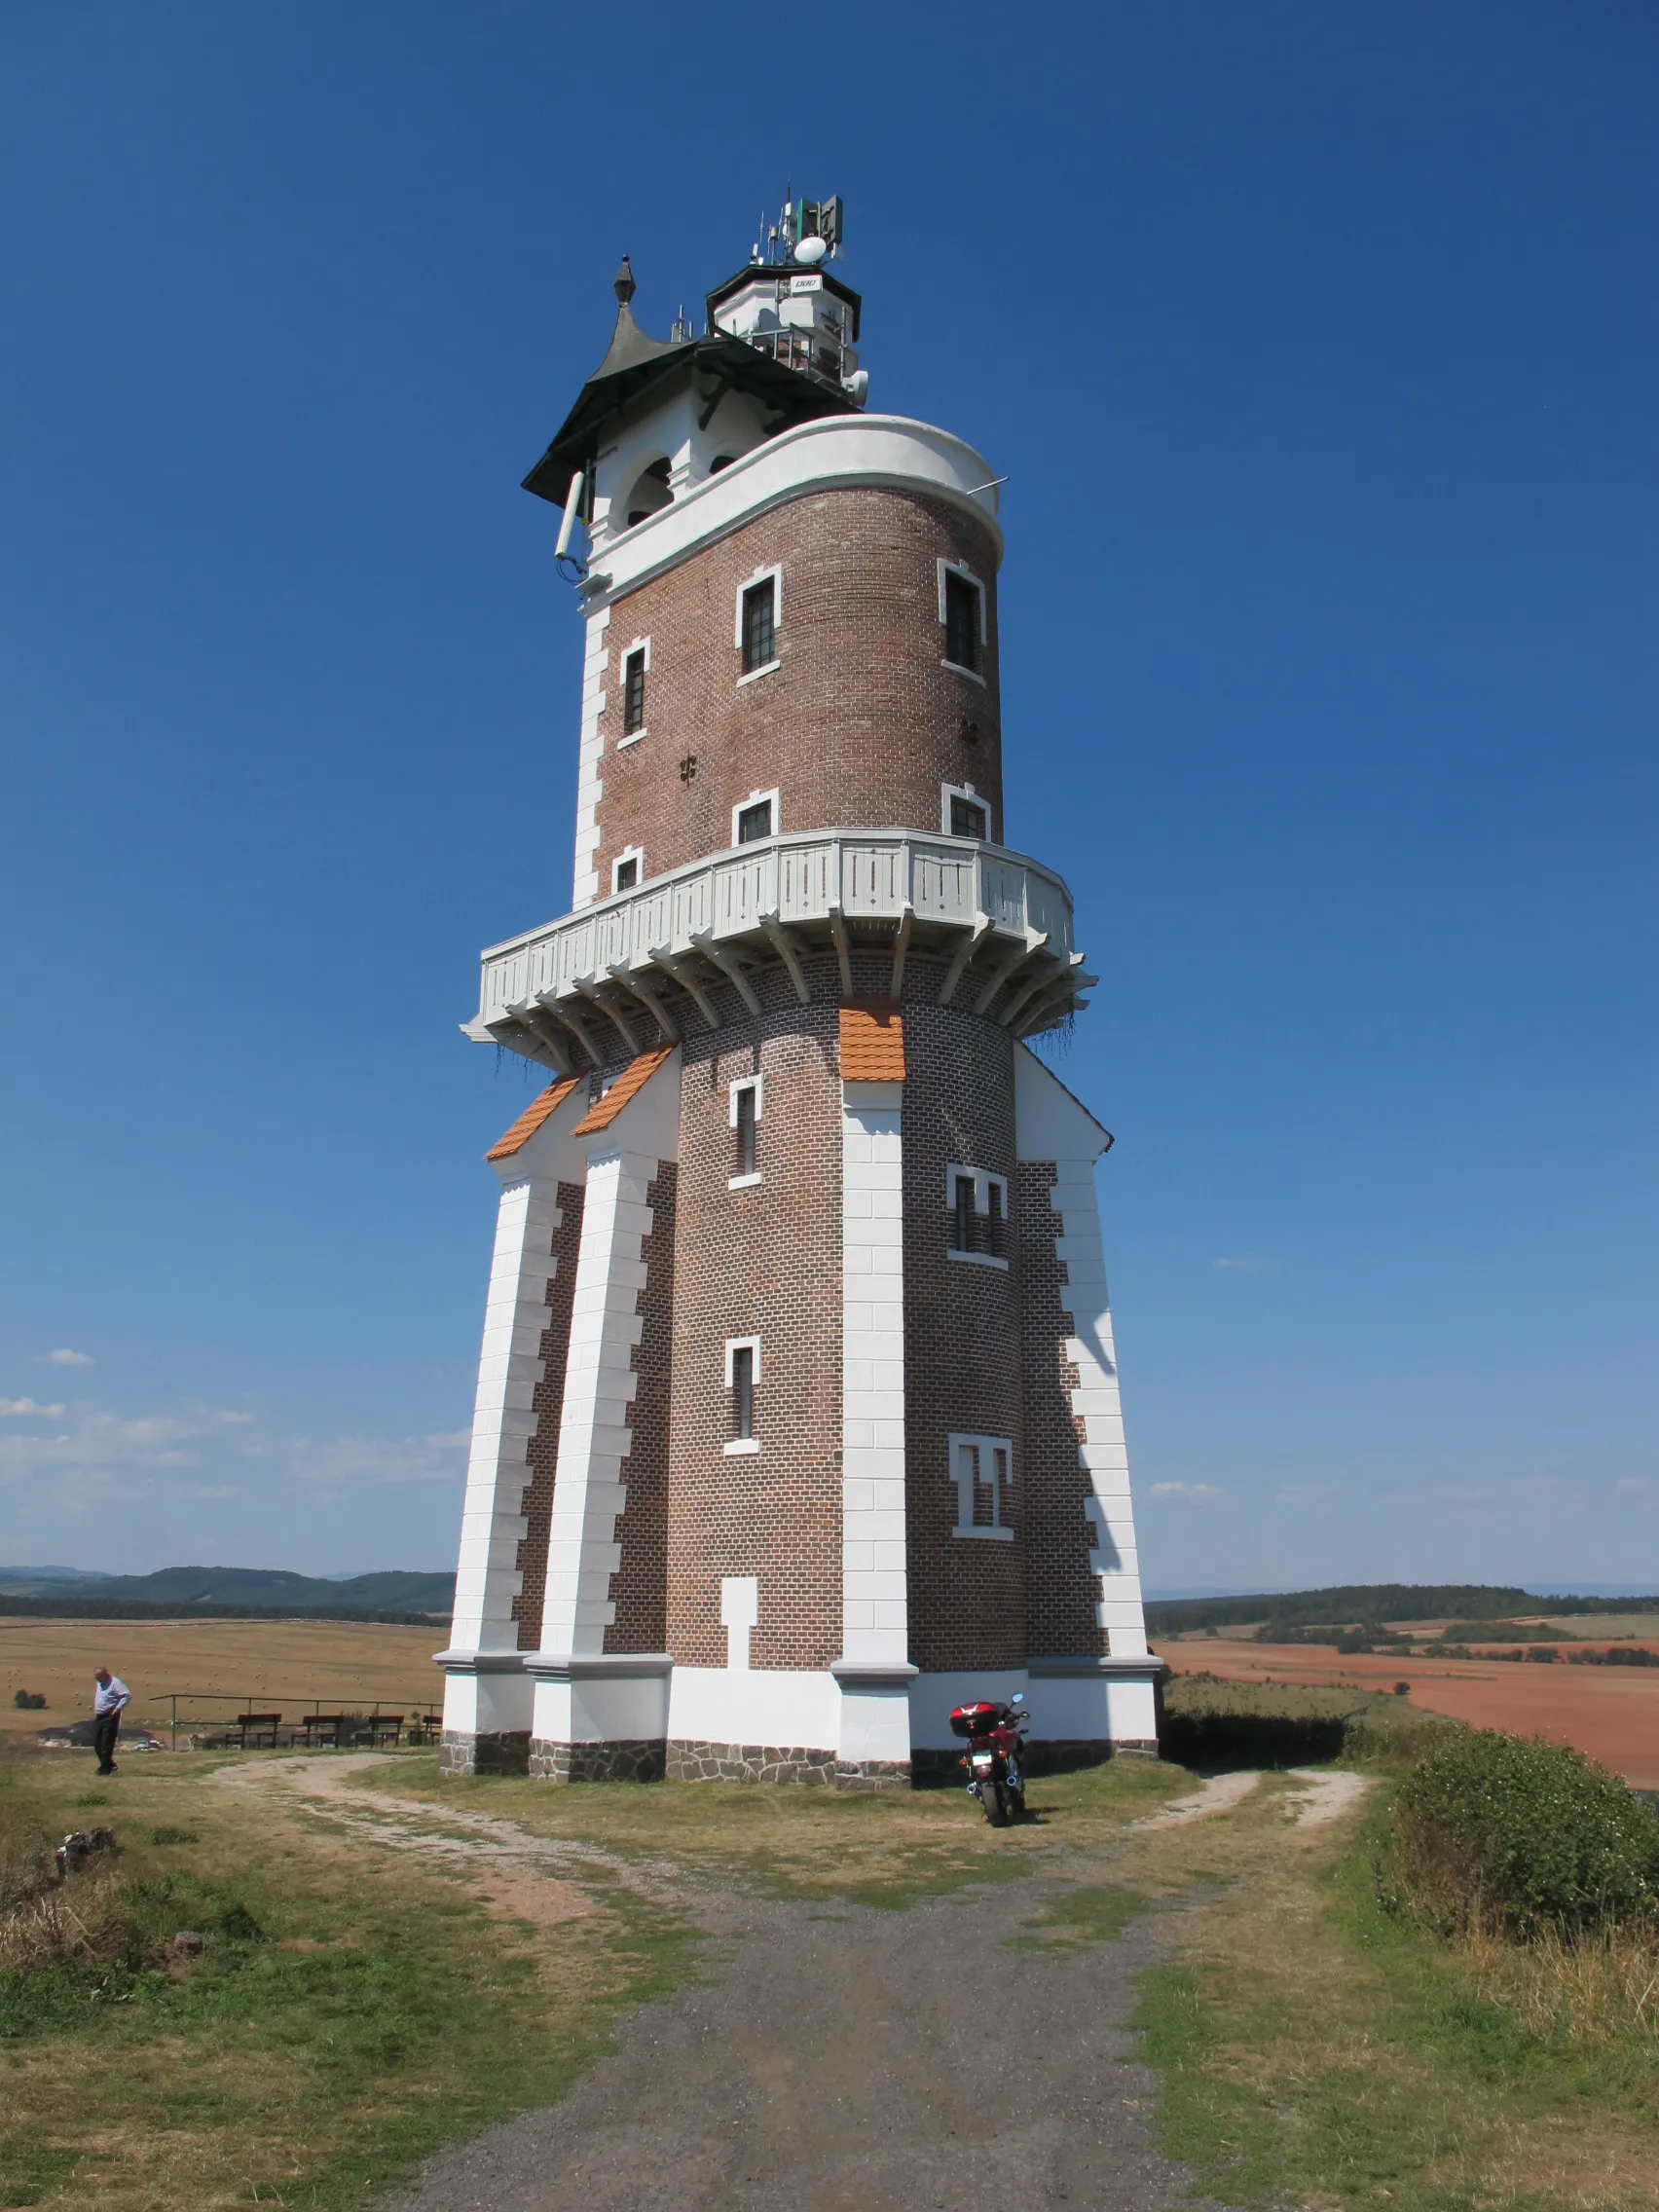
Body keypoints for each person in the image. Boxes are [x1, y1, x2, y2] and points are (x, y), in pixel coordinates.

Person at [92, 1666, 130, 1776]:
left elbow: (127, 1695)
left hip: (110, 1715)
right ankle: (110, 1764)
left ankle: (104, 1770)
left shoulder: (115, 1683)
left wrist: (117, 1709)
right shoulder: (99, 1683)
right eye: (96, 1677)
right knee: (97, 1742)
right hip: (99, 1716)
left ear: (105, 1675)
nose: (97, 1680)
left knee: (106, 1743)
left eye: (98, 1677)